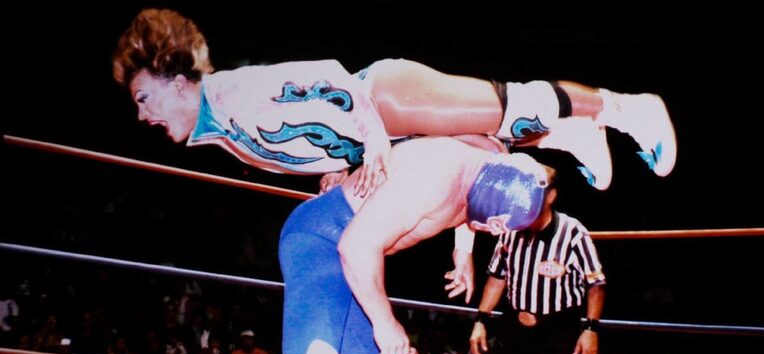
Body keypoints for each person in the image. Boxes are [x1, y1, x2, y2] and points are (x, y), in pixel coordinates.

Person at [232, 136, 554, 354]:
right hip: (322, 240)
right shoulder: (430, 179)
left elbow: (474, 195)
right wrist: (385, 322)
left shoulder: (491, 156)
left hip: (352, 252)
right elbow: (355, 247)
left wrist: (463, 250)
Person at [112, 8, 677, 193]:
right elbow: (307, 130)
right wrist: (336, 167)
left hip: (385, 99)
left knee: (512, 105)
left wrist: (373, 137)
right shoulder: (220, 123)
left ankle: (627, 108)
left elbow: (328, 75)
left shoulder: (229, 93)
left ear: (174, 79)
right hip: (380, 129)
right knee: (495, 141)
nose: (141, 115)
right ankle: (570, 132)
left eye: (143, 98)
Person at [462, 168, 606, 354]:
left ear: (550, 195)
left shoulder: (572, 231)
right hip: (514, 327)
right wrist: (481, 320)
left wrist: (590, 328)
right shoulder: (511, 226)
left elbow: (596, 283)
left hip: (558, 329)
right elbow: (497, 277)